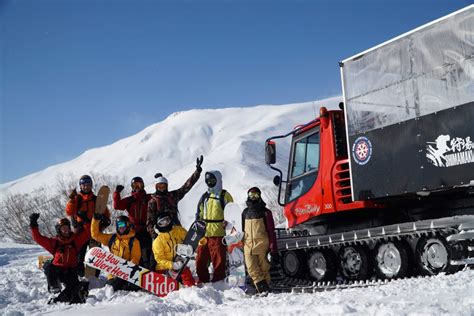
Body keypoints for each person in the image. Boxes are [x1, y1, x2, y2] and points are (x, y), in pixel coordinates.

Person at [29, 213, 89, 304]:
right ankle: (54, 287)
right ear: (59, 230)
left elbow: (87, 233)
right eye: (63, 228)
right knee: (49, 266)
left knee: (75, 287)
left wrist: (86, 222)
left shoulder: (75, 241)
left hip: (71, 270)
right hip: (57, 269)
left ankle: (59, 299)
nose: (66, 230)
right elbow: (38, 238)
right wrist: (33, 224)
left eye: (67, 228)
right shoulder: (54, 243)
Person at [146, 155, 204, 239]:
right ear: (156, 187)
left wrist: (197, 172)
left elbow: (186, 187)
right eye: (159, 186)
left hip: (176, 229)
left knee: (182, 250)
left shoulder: (172, 196)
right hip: (162, 234)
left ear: (167, 186)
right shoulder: (153, 202)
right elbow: (149, 222)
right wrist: (155, 236)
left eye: (164, 186)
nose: (161, 189)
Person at [195, 170, 233, 283]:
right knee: (200, 260)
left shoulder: (224, 195)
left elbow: (231, 212)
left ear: (218, 180)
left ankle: (218, 283)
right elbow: (199, 212)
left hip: (218, 233)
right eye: (208, 181)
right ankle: (203, 281)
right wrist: (197, 226)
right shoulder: (205, 196)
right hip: (204, 233)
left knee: (218, 261)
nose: (210, 183)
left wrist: (228, 224)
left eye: (212, 180)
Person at [91, 213, 141, 291]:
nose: (121, 227)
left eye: (123, 225)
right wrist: (95, 220)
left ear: (127, 225)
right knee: (112, 287)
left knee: (130, 287)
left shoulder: (134, 241)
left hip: (128, 273)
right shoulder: (112, 238)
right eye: (119, 225)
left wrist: (125, 269)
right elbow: (95, 235)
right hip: (113, 274)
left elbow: (136, 258)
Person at [241, 187, 278, 294]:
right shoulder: (245, 213)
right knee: (252, 269)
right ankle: (264, 290)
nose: (253, 198)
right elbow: (242, 229)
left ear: (259, 196)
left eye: (255, 195)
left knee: (264, 269)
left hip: (262, 245)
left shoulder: (266, 212)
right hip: (248, 245)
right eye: (251, 195)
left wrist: (273, 249)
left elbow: (271, 231)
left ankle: (265, 294)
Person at [113, 176, 153, 269]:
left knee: (147, 250)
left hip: (146, 229)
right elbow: (117, 205)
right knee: (135, 250)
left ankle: (148, 268)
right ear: (132, 187)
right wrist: (117, 193)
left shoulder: (148, 197)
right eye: (135, 186)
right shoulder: (130, 200)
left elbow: (159, 198)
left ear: (143, 185)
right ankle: (135, 268)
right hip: (133, 230)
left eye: (140, 185)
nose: (138, 187)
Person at [152, 212, 195, 287]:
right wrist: (172, 265)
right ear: (158, 225)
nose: (165, 224)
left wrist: (199, 243)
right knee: (163, 281)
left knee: (186, 274)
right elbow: (159, 260)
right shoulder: (157, 241)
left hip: (179, 261)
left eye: (167, 221)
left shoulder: (178, 230)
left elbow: (190, 240)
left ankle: (191, 290)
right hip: (164, 267)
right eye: (162, 223)